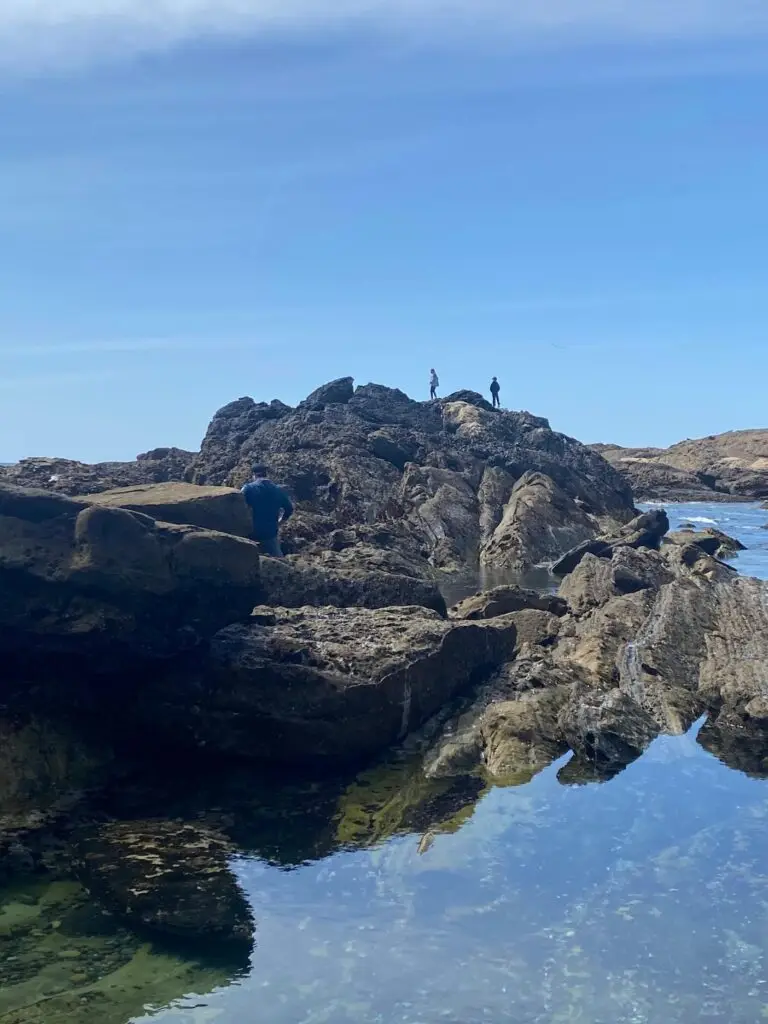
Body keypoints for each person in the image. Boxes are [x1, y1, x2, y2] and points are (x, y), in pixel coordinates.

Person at [241, 465, 294, 557]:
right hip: (270, 533)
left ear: (254, 475)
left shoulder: (248, 488)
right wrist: (279, 522)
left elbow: (238, 505)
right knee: (278, 561)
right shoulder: (278, 490)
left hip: (251, 533)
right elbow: (289, 509)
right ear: (267, 474)